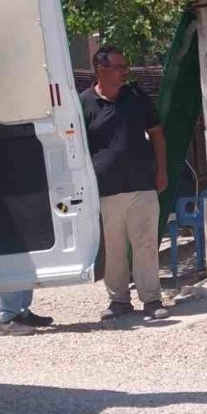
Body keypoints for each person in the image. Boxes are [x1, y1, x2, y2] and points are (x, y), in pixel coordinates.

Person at [81, 45, 170, 321]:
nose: (124, 72)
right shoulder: (84, 103)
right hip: (105, 190)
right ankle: (119, 300)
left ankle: (152, 299)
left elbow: (156, 133)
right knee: (114, 246)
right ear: (101, 69)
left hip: (142, 183)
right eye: (118, 67)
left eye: (125, 67)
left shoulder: (136, 97)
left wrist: (161, 171)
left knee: (145, 244)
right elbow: (77, 147)